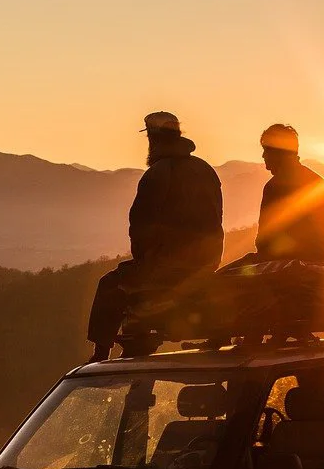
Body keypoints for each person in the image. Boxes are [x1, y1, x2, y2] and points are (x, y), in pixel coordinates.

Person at [86, 111, 223, 362]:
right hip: (208, 262)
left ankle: (100, 353)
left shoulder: (157, 173)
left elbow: (140, 225)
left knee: (109, 285)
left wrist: (145, 260)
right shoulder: (205, 170)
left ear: (153, 138)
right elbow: (217, 216)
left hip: (166, 266)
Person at [254, 123, 324, 262]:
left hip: (282, 265)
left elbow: (264, 239)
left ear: (279, 152)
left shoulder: (274, 187)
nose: (263, 156)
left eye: (266, 150)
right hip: (315, 262)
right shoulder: (317, 182)